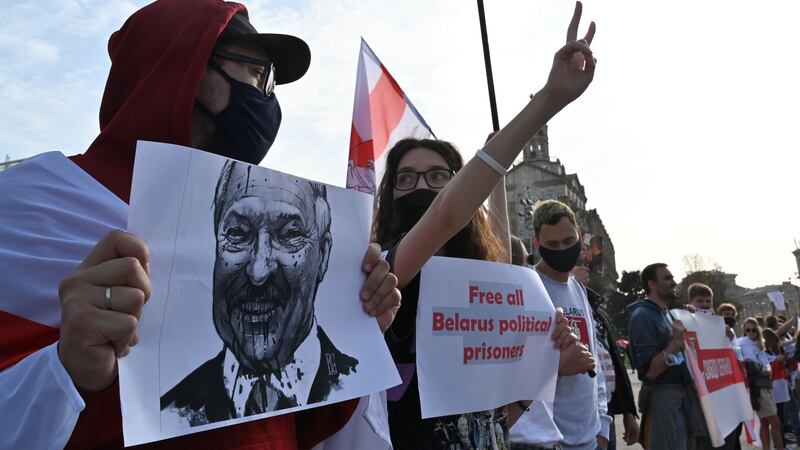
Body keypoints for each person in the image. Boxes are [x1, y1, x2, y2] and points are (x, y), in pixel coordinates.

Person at [0, 1, 401, 448]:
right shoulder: (28, 205)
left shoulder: (267, 212)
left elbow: (291, 425)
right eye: (255, 72)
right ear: (183, 67)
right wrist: (65, 370)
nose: (267, 97)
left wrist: (356, 321)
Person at [373, 4, 598, 445]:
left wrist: (539, 366)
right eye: (406, 178)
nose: (424, 186)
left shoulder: (489, 284)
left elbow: (498, 414)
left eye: (439, 176)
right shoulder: (387, 273)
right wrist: (548, 100)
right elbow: (445, 215)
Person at [161, 163, 359, 424]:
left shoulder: (361, 388)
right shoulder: (171, 412)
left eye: (290, 235)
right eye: (238, 234)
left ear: (323, 255)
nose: (258, 271)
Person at [510, 200, 611, 450]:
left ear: (579, 233)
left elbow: (593, 360)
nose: (562, 249)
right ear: (536, 243)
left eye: (568, 241)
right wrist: (555, 366)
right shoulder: (525, 289)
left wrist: (603, 426)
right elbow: (511, 368)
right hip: (545, 440)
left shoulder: (578, 289)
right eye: (552, 245)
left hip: (589, 437)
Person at [628, 263, 707, 450]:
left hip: (682, 396)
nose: (674, 282)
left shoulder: (668, 315)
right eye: (668, 278)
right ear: (652, 284)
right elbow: (650, 372)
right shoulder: (642, 316)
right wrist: (675, 344)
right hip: (664, 397)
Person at [737, 318, 786, 450]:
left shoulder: (759, 343)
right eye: (747, 330)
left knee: (765, 422)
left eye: (753, 330)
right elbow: (741, 361)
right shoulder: (741, 342)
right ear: (744, 331)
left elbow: (765, 360)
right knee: (774, 421)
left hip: (765, 381)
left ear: (757, 330)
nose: (750, 333)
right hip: (757, 383)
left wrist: (768, 367)